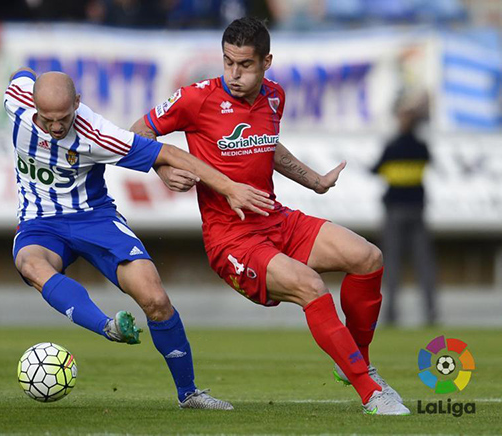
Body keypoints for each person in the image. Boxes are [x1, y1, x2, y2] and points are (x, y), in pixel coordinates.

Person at [131, 17, 410, 415]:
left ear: (267, 63)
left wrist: (313, 180)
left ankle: (354, 363)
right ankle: (371, 392)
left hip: (276, 219)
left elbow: (267, 146)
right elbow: (136, 133)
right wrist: (161, 167)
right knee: (311, 286)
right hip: (232, 240)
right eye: (228, 62)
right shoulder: (195, 98)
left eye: (245, 65)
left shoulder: (274, 97)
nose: (234, 73)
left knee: (368, 258)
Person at [5, 67, 273, 409]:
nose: (56, 128)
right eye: (47, 120)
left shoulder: (97, 133)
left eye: (63, 118)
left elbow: (171, 154)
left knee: (155, 299)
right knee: (30, 263)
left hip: (95, 219)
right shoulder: (17, 100)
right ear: (33, 105)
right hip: (40, 223)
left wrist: (229, 188)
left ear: (78, 103)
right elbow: (21, 74)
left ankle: (189, 393)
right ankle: (106, 326)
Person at [372, 93, 437, 326]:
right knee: (424, 264)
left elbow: (375, 169)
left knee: (392, 265)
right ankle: (430, 314)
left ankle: (391, 315)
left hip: (394, 211)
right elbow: (429, 163)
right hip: (417, 210)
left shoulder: (393, 146)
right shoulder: (421, 147)